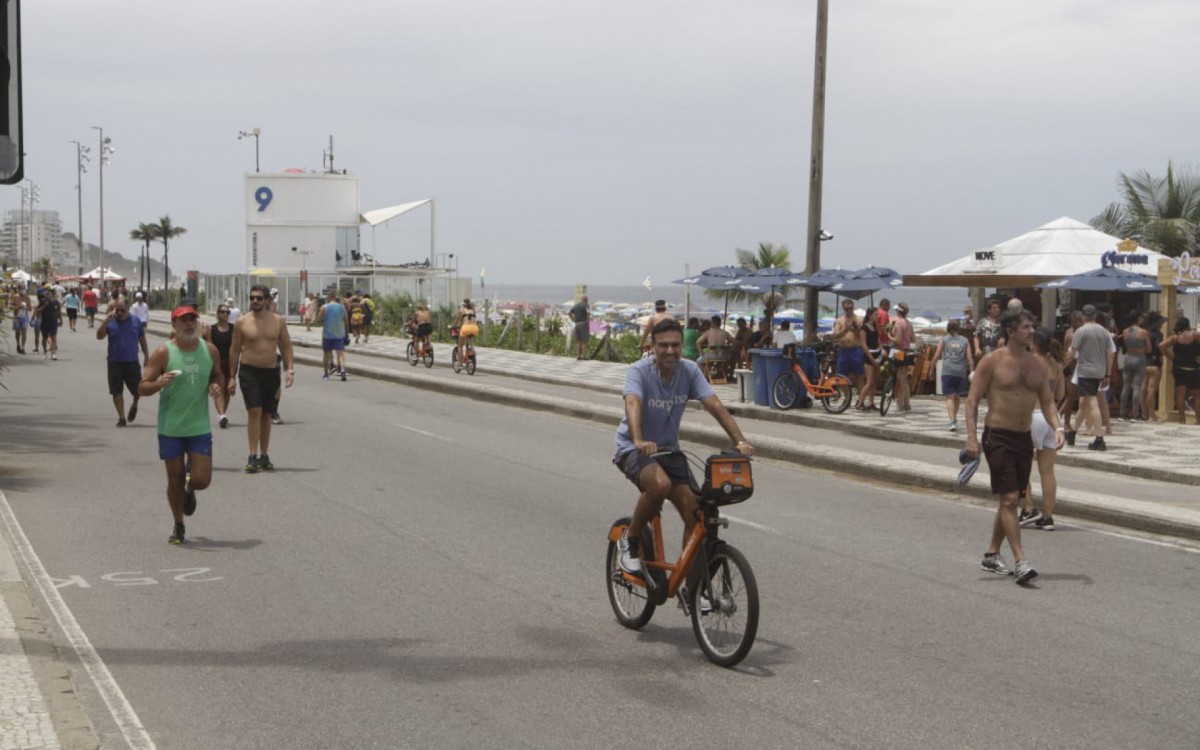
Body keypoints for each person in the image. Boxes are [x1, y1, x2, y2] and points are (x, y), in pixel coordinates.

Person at [614, 318, 755, 578]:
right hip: (634, 449)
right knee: (660, 485)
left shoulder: (689, 370)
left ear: (682, 345)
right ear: (652, 347)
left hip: (669, 450)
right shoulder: (639, 371)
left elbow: (714, 405)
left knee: (697, 514)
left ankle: (691, 583)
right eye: (663, 345)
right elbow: (632, 403)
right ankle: (630, 540)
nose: (670, 351)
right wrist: (638, 439)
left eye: (675, 345)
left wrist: (740, 441)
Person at [965, 309, 1064, 584]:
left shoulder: (1037, 365)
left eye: (1032, 326)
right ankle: (1021, 561)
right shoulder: (992, 361)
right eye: (1026, 326)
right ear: (1010, 331)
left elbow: (1047, 402)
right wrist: (971, 439)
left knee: (1011, 499)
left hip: (1024, 438)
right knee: (1009, 499)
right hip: (997, 436)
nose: (1032, 330)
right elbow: (972, 401)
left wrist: (1058, 428)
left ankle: (992, 554)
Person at [138, 305, 222, 545]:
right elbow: (142, 387)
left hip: (198, 427)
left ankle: (190, 488)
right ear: (173, 326)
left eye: (192, 320)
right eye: (183, 321)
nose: (188, 325)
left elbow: (217, 374)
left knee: (202, 479)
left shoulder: (210, 350)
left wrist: (216, 385)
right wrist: (159, 383)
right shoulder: (164, 353)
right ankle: (178, 524)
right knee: (173, 479)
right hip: (171, 428)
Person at [228, 284, 295, 473]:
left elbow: (286, 346)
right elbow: (234, 350)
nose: (255, 301)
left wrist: (290, 369)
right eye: (252, 298)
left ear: (267, 300)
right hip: (249, 371)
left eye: (259, 298)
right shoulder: (242, 322)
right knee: (254, 410)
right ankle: (252, 455)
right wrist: (231, 376)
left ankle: (264, 455)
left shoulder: (278, 321)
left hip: (270, 371)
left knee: (267, 413)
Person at [1019, 328, 1066, 531]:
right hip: (1053, 418)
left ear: (1035, 343)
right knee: (1047, 471)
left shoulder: (1029, 361)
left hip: (1033, 414)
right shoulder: (1056, 365)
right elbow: (1061, 393)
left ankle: (1029, 508)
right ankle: (1048, 516)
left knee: (1021, 466)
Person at [1067, 304, 1114, 450]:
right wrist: (1108, 374)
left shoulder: (1081, 331)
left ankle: (1099, 437)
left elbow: (1073, 352)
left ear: (1083, 316)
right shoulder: (1104, 331)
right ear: (1095, 315)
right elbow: (1110, 353)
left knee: (1092, 403)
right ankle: (1073, 432)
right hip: (1100, 371)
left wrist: (1063, 365)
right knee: (1083, 403)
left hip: (1085, 371)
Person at [97, 298, 150, 426]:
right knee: (116, 391)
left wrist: (146, 357)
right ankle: (121, 417)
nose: (119, 313)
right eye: (117, 310)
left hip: (131, 361)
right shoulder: (111, 321)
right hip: (114, 362)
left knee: (138, 389)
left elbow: (142, 340)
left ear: (127, 309)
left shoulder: (135, 321)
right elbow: (99, 336)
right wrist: (105, 322)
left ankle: (135, 404)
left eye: (122, 310)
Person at [929, 318, 973, 431]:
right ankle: (954, 418)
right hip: (961, 372)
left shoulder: (944, 339)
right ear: (959, 328)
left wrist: (931, 368)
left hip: (948, 370)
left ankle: (952, 420)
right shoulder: (965, 340)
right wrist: (972, 372)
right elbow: (969, 358)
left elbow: (937, 354)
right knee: (957, 396)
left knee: (949, 397)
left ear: (948, 328)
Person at [1160, 316, 1200, 425]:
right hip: (1193, 368)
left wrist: (1171, 358)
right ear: (1188, 325)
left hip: (1179, 368)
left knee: (1180, 394)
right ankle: (1198, 420)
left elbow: (1161, 346)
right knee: (1197, 395)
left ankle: (1182, 419)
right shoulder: (1196, 335)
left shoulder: (1175, 338)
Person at [831, 300, 873, 402]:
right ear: (843, 309)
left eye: (850, 308)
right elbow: (835, 335)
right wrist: (845, 329)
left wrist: (857, 329)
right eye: (846, 309)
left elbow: (864, 334)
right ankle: (847, 398)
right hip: (844, 351)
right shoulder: (840, 320)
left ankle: (861, 400)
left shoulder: (860, 319)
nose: (849, 311)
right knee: (842, 376)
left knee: (860, 376)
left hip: (856, 350)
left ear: (853, 307)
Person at [202, 302, 235, 429]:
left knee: (228, 390)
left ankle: (223, 414)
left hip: (230, 362)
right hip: (217, 362)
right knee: (219, 388)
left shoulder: (233, 329)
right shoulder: (211, 329)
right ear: (217, 314)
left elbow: (236, 347)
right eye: (222, 312)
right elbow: (209, 346)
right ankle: (221, 414)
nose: (225, 314)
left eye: (227, 312)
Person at [1119, 311, 1151, 421]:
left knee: (1125, 386)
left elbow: (1125, 346)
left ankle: (1122, 413)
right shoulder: (1144, 332)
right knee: (1137, 387)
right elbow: (1149, 348)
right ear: (1138, 319)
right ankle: (1135, 414)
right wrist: (1142, 350)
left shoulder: (1125, 332)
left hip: (1128, 358)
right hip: (1140, 358)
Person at [889, 302, 915, 412]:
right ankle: (907, 403)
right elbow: (913, 339)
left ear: (898, 311)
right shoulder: (909, 323)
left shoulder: (899, 323)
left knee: (901, 379)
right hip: (907, 351)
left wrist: (889, 336)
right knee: (904, 379)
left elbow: (898, 341)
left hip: (898, 351)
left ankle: (900, 403)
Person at [317, 290, 348, 380]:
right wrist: (346, 333)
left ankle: (326, 374)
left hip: (327, 335)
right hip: (339, 334)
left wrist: (324, 320)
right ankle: (342, 369)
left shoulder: (324, 307)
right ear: (335, 297)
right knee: (340, 354)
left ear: (329, 297)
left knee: (326, 354)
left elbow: (319, 320)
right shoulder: (342, 308)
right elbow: (346, 321)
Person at [856, 306, 882, 410]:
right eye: (875, 314)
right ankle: (860, 402)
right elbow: (864, 344)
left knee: (875, 381)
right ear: (870, 315)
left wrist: (882, 349)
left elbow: (878, 340)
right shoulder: (864, 328)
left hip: (876, 353)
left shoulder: (875, 327)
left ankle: (871, 402)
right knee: (870, 381)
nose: (877, 317)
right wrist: (871, 358)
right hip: (869, 355)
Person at [1142, 312, 1165, 421]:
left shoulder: (1144, 333)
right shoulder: (1158, 334)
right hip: (1154, 362)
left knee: (1143, 388)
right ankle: (1152, 415)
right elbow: (1158, 346)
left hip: (1143, 362)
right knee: (1152, 389)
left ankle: (1145, 413)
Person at [36, 290, 63, 360]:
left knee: (53, 337)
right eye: (46, 295)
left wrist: (61, 320)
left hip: (53, 322)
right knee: (44, 338)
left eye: (49, 294)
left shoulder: (56, 302)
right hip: (45, 322)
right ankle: (45, 351)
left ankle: (53, 353)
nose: (48, 296)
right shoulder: (42, 302)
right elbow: (37, 311)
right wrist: (44, 306)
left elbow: (59, 311)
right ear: (45, 296)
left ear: (52, 295)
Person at [454, 299, 479, 365]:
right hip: (474, 328)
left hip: (466, 328)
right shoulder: (473, 310)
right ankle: (472, 349)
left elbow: (456, 321)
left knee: (460, 345)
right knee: (470, 338)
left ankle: (460, 363)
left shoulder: (462, 310)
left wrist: (452, 326)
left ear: (463, 305)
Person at [569, 295, 590, 360]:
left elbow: (569, 313)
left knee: (578, 341)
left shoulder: (576, 305)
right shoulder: (586, 305)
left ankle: (578, 356)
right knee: (584, 341)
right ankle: (583, 356)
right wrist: (587, 321)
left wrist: (573, 319)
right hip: (583, 323)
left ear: (581, 299)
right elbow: (588, 313)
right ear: (586, 300)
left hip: (577, 324)